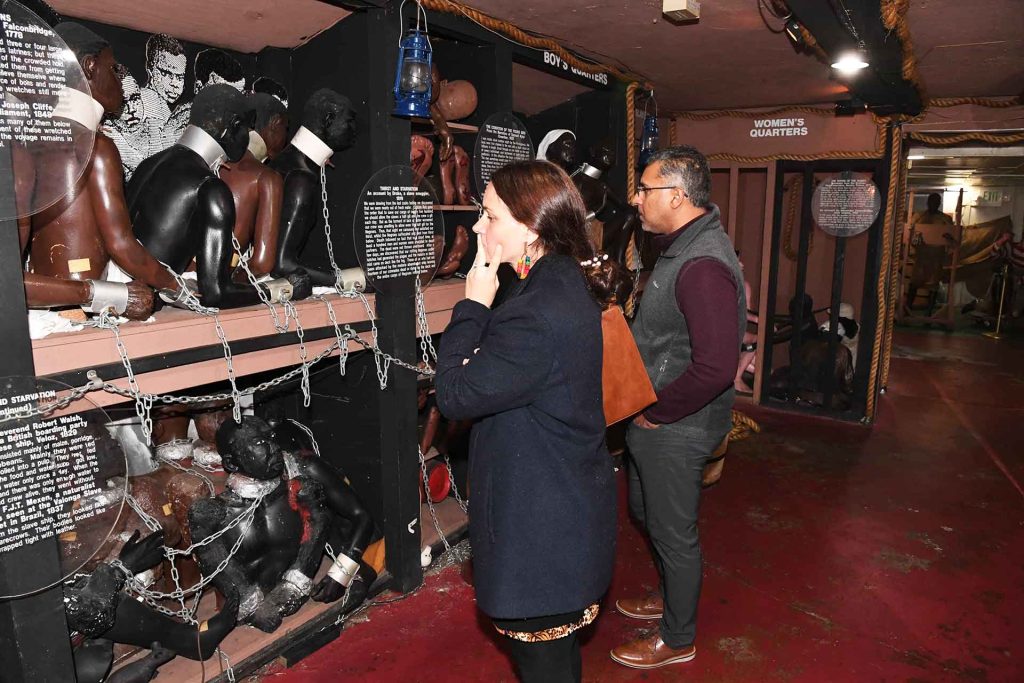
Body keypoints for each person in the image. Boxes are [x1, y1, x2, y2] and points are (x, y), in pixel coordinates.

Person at [434, 161, 621, 682]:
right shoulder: (555, 281)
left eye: (488, 215)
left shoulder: (535, 310)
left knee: (545, 669)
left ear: (532, 227)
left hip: (542, 531)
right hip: (561, 505)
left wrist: (472, 305)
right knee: (554, 664)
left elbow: (453, 395)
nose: (477, 228)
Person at [610, 146, 744, 670]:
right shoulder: (682, 246)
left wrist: (658, 412)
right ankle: (671, 599)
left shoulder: (702, 265)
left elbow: (714, 368)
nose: (636, 198)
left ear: (678, 196)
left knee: (672, 530)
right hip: (662, 417)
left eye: (645, 189)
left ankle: (677, 638)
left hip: (678, 424)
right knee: (647, 511)